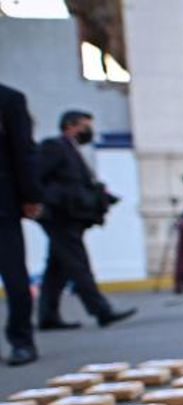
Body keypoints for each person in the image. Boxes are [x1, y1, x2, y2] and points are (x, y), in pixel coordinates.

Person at [37, 110, 136, 329]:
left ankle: (47, 315)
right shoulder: (54, 146)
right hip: (60, 216)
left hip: (71, 216)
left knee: (57, 267)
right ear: (71, 126)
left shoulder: (72, 149)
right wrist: (51, 203)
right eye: (85, 125)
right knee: (78, 263)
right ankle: (101, 310)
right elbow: (38, 177)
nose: (88, 131)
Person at [0, 83, 41, 366]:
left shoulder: (9, 100)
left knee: (15, 277)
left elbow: (22, 151)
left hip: (3, 205)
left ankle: (22, 340)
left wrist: (29, 195)